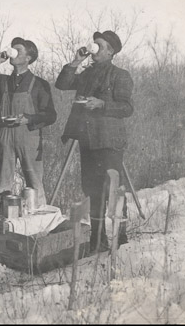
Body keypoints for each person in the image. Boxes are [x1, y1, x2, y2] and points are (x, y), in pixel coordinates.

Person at [55, 30, 133, 253]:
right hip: (88, 140)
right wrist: (76, 61)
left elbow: (127, 108)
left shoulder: (120, 75)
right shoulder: (86, 74)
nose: (94, 48)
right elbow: (62, 84)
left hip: (109, 141)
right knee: (92, 189)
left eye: (99, 45)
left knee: (114, 188)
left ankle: (121, 235)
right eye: (94, 44)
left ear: (110, 51)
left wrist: (102, 104)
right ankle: (98, 241)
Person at [0, 37, 56, 207]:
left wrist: (29, 119)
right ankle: (4, 218)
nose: (13, 53)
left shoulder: (39, 84)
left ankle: (39, 218)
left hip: (29, 138)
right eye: (12, 49)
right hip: (4, 137)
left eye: (18, 50)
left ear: (28, 58)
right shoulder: (2, 81)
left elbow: (51, 115)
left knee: (34, 183)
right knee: (3, 183)